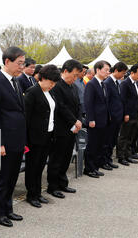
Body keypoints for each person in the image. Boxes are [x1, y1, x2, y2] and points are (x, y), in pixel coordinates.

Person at [0, 46, 27, 227]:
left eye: (23, 63)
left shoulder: (15, 82)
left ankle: (8, 208)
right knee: (1, 178)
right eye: (19, 63)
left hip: (17, 139)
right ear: (7, 61)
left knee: (12, 177)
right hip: (3, 141)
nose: (22, 67)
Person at [24, 65, 61, 208]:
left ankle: (38, 193)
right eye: (51, 82)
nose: (52, 86)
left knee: (40, 166)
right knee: (32, 166)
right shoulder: (32, 92)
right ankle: (31, 194)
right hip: (34, 136)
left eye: (54, 83)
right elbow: (26, 117)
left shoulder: (50, 93)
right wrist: (25, 140)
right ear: (43, 78)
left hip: (48, 134)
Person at [46, 59, 82, 197]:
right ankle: (53, 186)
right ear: (65, 71)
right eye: (74, 75)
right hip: (60, 128)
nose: (75, 78)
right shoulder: (56, 86)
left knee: (66, 157)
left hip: (73, 128)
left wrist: (78, 120)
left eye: (78, 75)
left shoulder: (73, 86)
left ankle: (62, 183)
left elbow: (78, 105)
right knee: (57, 158)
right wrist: (74, 121)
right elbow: (61, 107)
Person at [83, 60, 111, 178]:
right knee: (92, 145)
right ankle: (89, 168)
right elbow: (88, 103)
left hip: (103, 119)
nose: (108, 72)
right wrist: (91, 119)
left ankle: (95, 167)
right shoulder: (91, 84)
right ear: (98, 70)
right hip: (94, 120)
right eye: (106, 70)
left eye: (109, 70)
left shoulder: (103, 84)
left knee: (100, 144)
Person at [116, 64, 138, 166]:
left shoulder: (136, 83)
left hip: (136, 114)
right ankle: (121, 157)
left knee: (130, 136)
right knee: (124, 136)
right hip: (128, 114)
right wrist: (126, 113)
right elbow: (123, 100)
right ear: (132, 73)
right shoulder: (125, 84)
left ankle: (128, 155)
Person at [103, 62, 128, 170]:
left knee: (113, 140)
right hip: (112, 117)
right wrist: (109, 116)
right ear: (116, 70)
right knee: (108, 141)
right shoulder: (108, 82)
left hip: (117, 117)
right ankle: (104, 161)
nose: (123, 76)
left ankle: (108, 160)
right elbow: (107, 101)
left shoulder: (117, 83)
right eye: (122, 73)